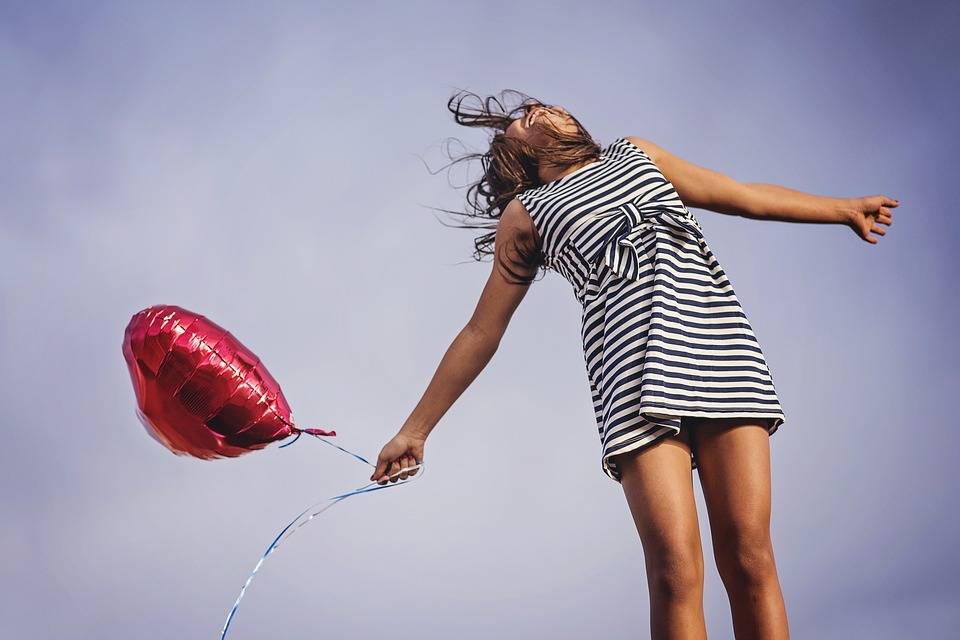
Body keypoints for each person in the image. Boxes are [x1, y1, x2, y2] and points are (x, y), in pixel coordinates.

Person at [369, 89, 898, 638]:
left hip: (721, 351)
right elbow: (482, 331)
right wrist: (415, 430)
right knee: (674, 571)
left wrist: (842, 210)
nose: (539, 110)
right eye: (522, 119)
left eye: (541, 105)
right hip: (631, 380)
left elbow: (740, 194)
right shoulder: (526, 214)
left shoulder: (636, 154)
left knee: (749, 554)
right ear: (514, 152)